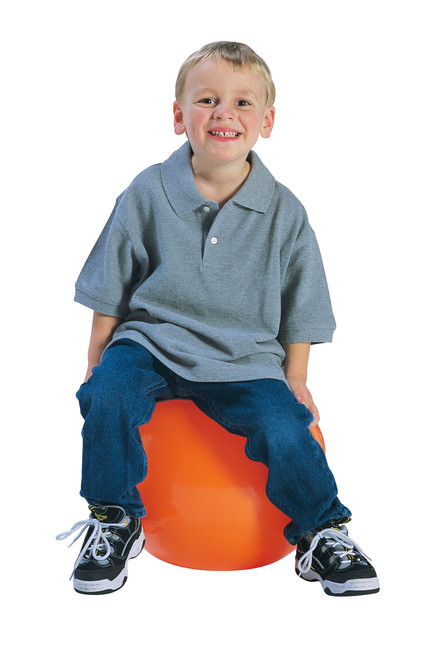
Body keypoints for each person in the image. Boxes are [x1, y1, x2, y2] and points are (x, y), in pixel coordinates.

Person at [57, 41, 379, 597]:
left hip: (244, 356)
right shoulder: (147, 191)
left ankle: (322, 531)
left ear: (267, 122)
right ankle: (114, 518)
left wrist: (295, 379)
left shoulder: (285, 211)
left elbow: (303, 303)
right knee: (107, 394)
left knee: (284, 425)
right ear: (179, 115)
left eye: (242, 103)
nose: (224, 113)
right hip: (152, 341)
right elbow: (111, 281)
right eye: (207, 100)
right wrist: (96, 360)